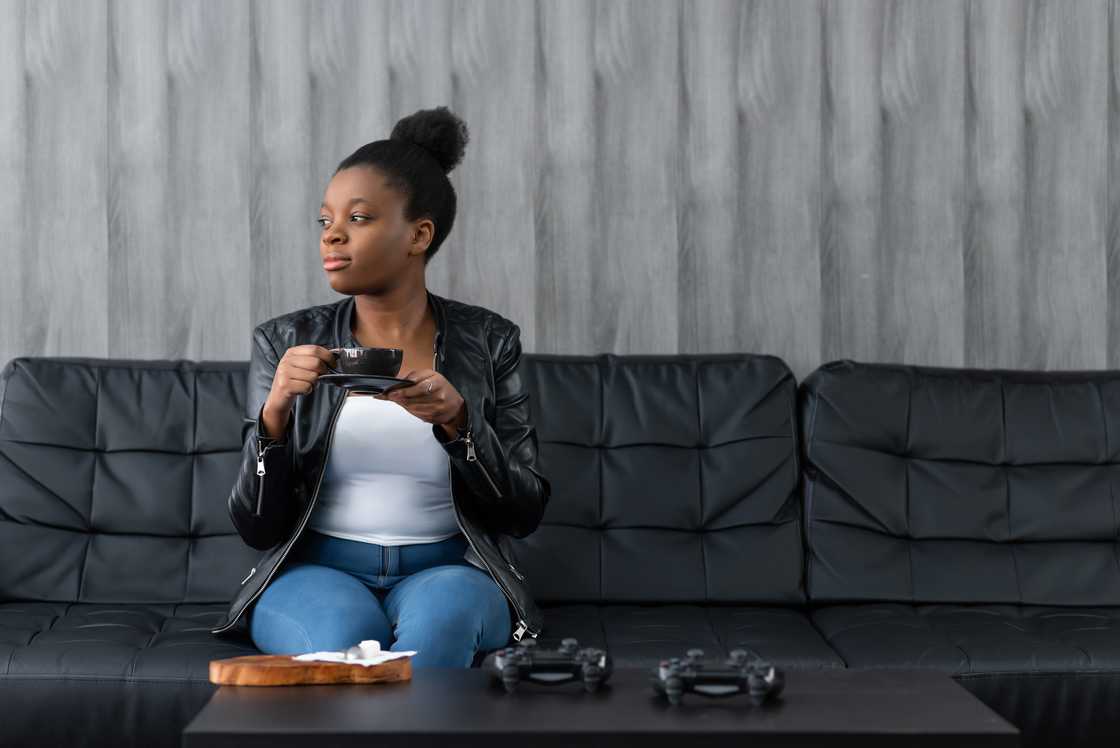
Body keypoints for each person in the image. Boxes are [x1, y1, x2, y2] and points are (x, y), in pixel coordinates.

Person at [210, 106, 551, 668]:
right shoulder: (284, 342)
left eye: (359, 217)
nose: (332, 234)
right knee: (344, 641)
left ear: (419, 234)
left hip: (450, 570)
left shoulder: (490, 340)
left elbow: (523, 513)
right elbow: (256, 526)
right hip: (319, 571)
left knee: (437, 636)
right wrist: (274, 418)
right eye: (325, 220)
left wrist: (461, 424)